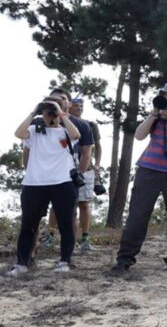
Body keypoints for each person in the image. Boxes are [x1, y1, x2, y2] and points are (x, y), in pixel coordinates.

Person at [111, 82, 167, 274]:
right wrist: (153, 115)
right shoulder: (156, 117)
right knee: (137, 215)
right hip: (149, 171)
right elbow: (139, 136)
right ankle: (124, 259)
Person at [10, 97, 81, 275]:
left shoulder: (65, 132)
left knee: (65, 225)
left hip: (62, 183)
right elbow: (18, 133)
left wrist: (61, 112)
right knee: (28, 225)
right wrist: (34, 111)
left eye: (53, 111)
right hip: (35, 183)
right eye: (47, 110)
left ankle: (64, 261)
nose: (50, 114)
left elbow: (76, 136)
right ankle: (21, 263)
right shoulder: (34, 131)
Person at [37, 89, 95, 250]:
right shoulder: (39, 122)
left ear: (68, 103)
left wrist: (79, 174)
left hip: (72, 172)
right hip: (47, 173)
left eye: (62, 99)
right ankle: (46, 239)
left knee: (75, 209)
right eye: (54, 99)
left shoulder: (83, 125)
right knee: (48, 208)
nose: (58, 101)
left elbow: (86, 152)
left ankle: (73, 245)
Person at [68, 96, 102, 252]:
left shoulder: (90, 125)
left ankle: (85, 238)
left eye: (81, 106)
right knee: (69, 206)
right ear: (68, 107)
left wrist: (97, 164)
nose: (78, 108)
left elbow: (97, 146)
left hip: (86, 169)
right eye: (75, 105)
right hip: (66, 169)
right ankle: (71, 240)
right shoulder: (61, 123)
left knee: (84, 204)